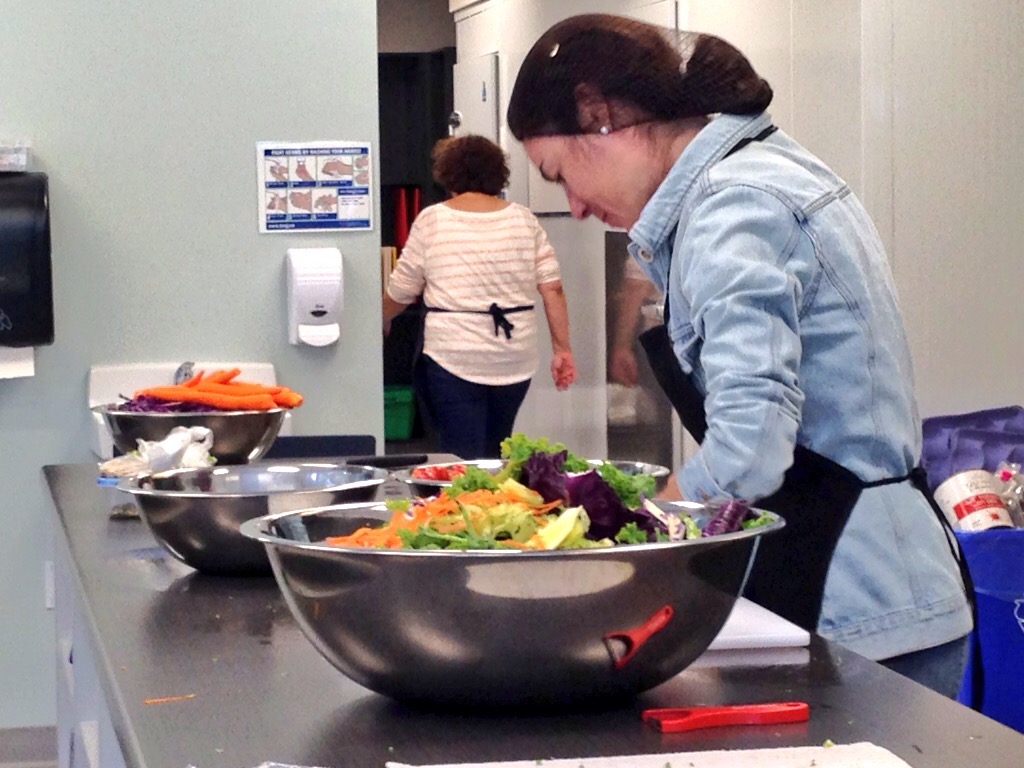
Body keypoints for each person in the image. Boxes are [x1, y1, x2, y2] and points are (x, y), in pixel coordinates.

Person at [507, 13, 972, 697]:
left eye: (558, 174)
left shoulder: (735, 206)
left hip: (857, 599)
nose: (572, 206)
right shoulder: (756, 173)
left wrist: (638, 533)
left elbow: (749, 451)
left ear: (599, 115)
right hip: (866, 581)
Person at [382, 134, 577, 459]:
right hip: (514, 356)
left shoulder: (433, 220)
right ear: (497, 173)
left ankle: (468, 504)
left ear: (447, 174)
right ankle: (496, 502)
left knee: (460, 454)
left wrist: (382, 317)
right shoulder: (523, 219)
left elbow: (403, 290)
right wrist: (563, 350)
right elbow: (552, 288)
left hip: (454, 355)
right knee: (496, 446)